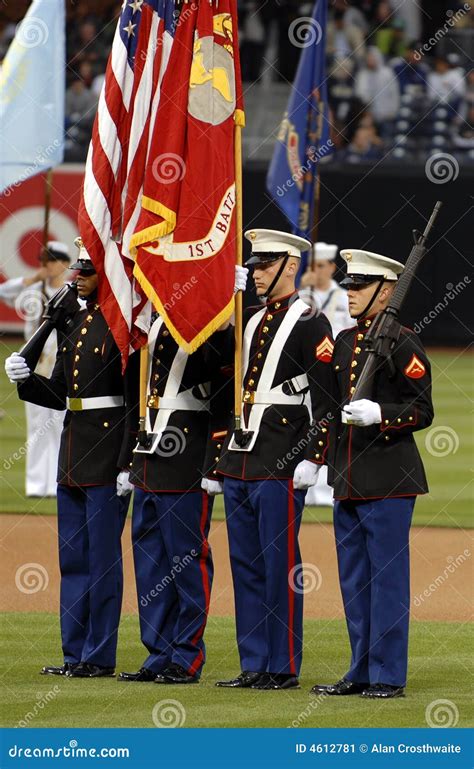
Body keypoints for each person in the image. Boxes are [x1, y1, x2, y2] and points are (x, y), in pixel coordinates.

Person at [5, 240, 137, 678]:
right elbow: (61, 393)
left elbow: (133, 399)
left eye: (86, 268)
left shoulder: (122, 322)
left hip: (106, 448)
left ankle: (98, 655)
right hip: (74, 446)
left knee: (102, 558)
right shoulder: (74, 322)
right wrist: (26, 381)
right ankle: (74, 652)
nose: (77, 275)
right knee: (73, 557)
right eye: (77, 268)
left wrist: (125, 462)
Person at [216, 229, 336, 691]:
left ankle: (282, 666)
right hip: (242, 458)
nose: (256, 272)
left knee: (279, 563)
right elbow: (228, 388)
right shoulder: (248, 319)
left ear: (290, 266)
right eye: (255, 265)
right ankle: (254, 661)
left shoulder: (311, 323)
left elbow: (326, 399)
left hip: (282, 459)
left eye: (265, 265)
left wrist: (314, 456)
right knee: (245, 563)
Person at [311, 249, 434, 699]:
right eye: (349, 286)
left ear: (386, 292)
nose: (351, 294)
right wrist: (316, 458)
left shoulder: (403, 341)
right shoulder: (344, 342)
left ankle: (387, 675)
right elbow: (327, 408)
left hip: (389, 479)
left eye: (361, 287)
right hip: (348, 478)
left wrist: (380, 412)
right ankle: (359, 669)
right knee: (355, 580)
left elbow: (423, 411)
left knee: (387, 580)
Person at [117, 291, 237, 685]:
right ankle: (158, 652)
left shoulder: (201, 328)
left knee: (186, 563)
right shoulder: (153, 325)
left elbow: (220, 376)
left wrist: (220, 324)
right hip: (150, 459)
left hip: (185, 459)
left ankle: (186, 655)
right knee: (151, 564)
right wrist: (128, 462)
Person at [0, 241, 71, 496]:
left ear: (63, 263)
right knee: (36, 426)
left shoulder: (70, 292)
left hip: (59, 365)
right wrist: (32, 280)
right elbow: (3, 292)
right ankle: (35, 484)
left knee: (59, 424)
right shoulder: (33, 292)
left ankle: (56, 481)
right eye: (45, 261)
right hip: (33, 366)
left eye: (52, 260)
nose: (47, 266)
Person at [299, 242, 354, 506]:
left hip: (334, 372)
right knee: (307, 424)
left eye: (321, 266)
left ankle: (324, 491)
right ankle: (305, 486)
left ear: (332, 267)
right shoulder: (302, 297)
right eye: (312, 266)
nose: (317, 271)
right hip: (305, 373)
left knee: (329, 424)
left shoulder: (345, 297)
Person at [355, 47, 400, 127]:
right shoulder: (362, 75)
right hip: (369, 116)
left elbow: (394, 93)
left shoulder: (387, 73)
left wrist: (394, 110)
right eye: (369, 58)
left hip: (387, 115)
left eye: (373, 57)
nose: (370, 60)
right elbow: (360, 95)